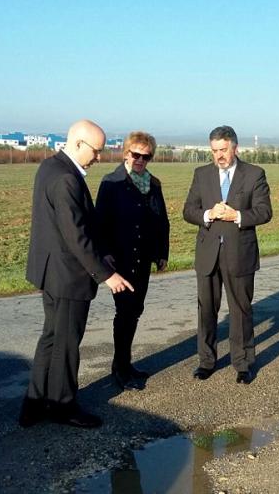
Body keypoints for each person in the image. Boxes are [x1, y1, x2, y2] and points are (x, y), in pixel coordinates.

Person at [20, 119, 134, 429]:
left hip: (50, 271)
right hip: (68, 276)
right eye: (96, 151)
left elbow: (76, 227)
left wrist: (102, 254)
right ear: (79, 144)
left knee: (52, 337)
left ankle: (34, 403)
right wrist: (105, 274)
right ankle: (62, 405)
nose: (99, 157)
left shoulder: (50, 167)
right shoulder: (67, 179)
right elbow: (76, 236)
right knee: (67, 342)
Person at [182, 125, 272, 384]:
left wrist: (238, 216)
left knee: (240, 310)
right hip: (208, 253)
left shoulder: (254, 174)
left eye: (223, 150)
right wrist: (208, 214)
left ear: (235, 147)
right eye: (214, 151)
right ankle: (206, 361)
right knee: (206, 310)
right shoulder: (201, 175)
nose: (219, 155)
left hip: (239, 253)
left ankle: (243, 364)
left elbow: (264, 212)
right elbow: (189, 210)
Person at [95, 131, 170, 391]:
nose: (140, 160)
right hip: (121, 260)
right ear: (126, 153)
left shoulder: (154, 184)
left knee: (135, 311)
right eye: (135, 154)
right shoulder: (112, 182)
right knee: (125, 313)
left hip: (144, 259)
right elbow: (100, 222)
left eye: (146, 156)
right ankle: (119, 368)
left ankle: (126, 365)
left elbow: (162, 221)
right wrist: (104, 253)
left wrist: (162, 252)